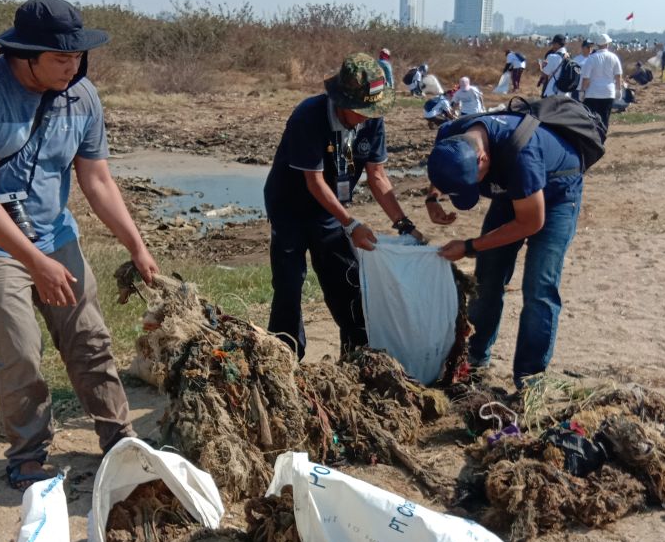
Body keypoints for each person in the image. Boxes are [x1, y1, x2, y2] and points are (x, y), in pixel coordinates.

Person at [0, 0, 158, 491]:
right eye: (60, 59)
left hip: (55, 234)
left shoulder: (82, 97)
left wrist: (136, 245)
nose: (72, 67)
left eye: (77, 56)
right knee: (21, 349)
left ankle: (119, 437)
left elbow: (97, 180)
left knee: (90, 339)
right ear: (23, 56)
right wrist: (34, 263)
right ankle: (29, 454)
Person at [263, 53, 422, 359]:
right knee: (289, 285)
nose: (368, 116)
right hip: (290, 207)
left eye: (372, 110)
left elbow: (378, 176)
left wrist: (404, 225)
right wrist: (351, 224)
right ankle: (284, 359)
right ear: (342, 100)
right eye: (362, 109)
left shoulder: (372, 121)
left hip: (330, 210)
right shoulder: (308, 116)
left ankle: (357, 357)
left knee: (346, 281)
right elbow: (314, 182)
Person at [423, 110, 585, 390]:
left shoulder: (523, 155)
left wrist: (470, 246)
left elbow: (531, 222)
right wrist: (433, 197)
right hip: (510, 189)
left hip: (556, 193)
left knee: (539, 288)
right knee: (486, 280)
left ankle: (530, 379)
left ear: (482, 159)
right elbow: (442, 169)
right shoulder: (451, 135)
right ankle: (473, 361)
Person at [580, 34, 623, 130]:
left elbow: (586, 78)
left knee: (591, 119)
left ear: (597, 45)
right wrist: (618, 89)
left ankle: (593, 139)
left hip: (592, 93)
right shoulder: (614, 57)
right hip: (608, 92)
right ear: (607, 44)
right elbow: (618, 76)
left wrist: (582, 91)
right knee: (605, 118)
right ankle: (602, 138)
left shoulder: (591, 58)